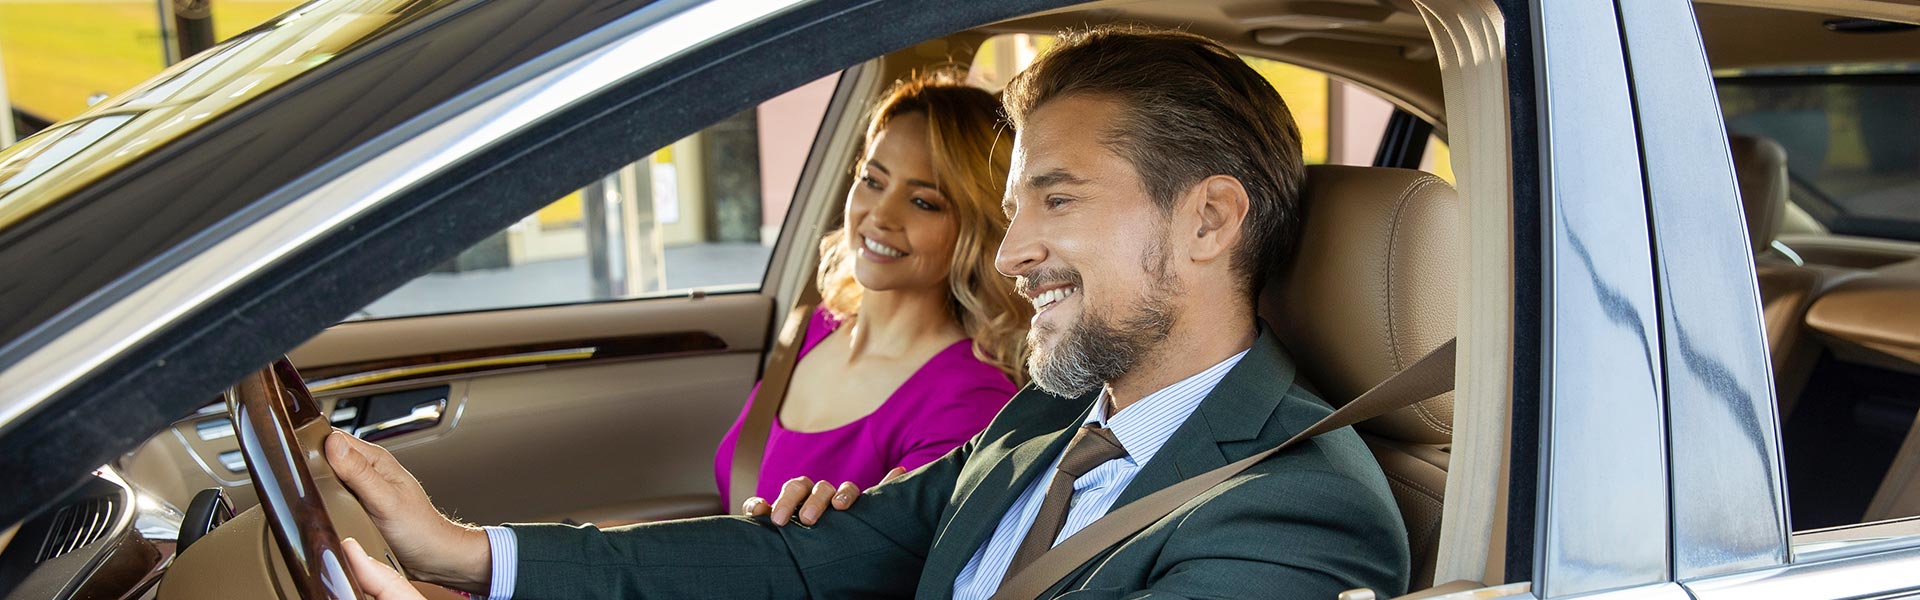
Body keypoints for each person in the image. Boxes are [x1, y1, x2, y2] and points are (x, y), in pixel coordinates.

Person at [328, 26, 1410, 600]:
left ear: (1212, 219)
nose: (1016, 247)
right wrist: (478, 558)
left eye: (1059, 198)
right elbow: (803, 562)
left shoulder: (1299, 512)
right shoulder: (1044, 422)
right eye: (1018, 199)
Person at [713, 71, 1030, 517]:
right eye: (872, 180)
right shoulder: (816, 325)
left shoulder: (969, 402)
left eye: (923, 201)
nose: (880, 214)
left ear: (974, 228)